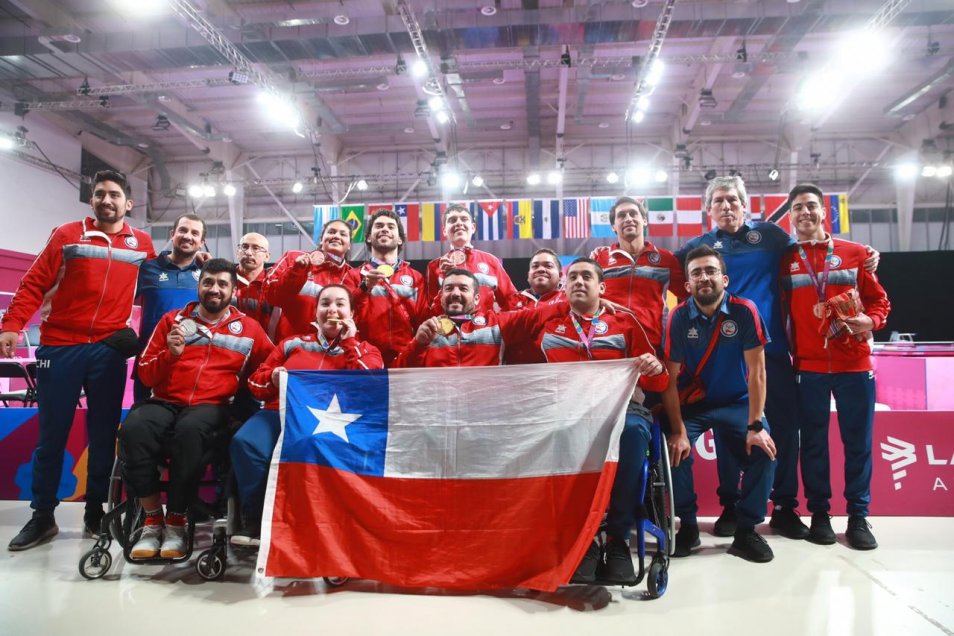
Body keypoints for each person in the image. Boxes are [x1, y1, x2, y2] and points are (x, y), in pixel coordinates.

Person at [675, 175, 877, 539]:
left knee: (785, 429)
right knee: (729, 429)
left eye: (733, 200)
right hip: (725, 358)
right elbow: (670, 278)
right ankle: (732, 505)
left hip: (774, 352)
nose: (726, 206)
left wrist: (866, 254)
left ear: (744, 204)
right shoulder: (698, 247)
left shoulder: (771, 236)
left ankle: (784, 506)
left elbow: (812, 248)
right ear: (708, 209)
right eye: (718, 201)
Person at [2, 170, 156, 551]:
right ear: (92, 200)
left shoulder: (142, 243)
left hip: (107, 351)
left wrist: (196, 262)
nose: (107, 200)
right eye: (100, 193)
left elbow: (161, 277)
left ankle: (95, 512)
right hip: (61, 347)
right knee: (51, 438)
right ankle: (42, 516)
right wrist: (11, 325)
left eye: (114, 194)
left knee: (103, 437)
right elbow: (34, 282)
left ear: (128, 203)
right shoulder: (67, 234)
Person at [121, 259, 273, 559]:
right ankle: (153, 520)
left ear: (233, 290)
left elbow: (270, 365)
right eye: (208, 282)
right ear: (199, 286)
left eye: (222, 284)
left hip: (213, 406)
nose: (214, 289)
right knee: (133, 429)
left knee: (189, 431)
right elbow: (146, 375)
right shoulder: (172, 321)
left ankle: (176, 521)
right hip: (165, 401)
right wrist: (170, 354)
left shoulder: (249, 329)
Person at [535, 258, 668, 585]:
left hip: (623, 409)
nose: (579, 282)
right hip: (570, 412)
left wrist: (654, 366)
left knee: (633, 433)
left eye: (587, 276)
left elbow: (659, 381)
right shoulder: (547, 325)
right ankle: (586, 541)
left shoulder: (624, 322)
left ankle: (618, 538)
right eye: (573, 277)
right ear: (564, 287)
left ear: (602, 287)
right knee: (558, 433)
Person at [781, 183, 891, 550]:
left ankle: (858, 515)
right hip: (808, 367)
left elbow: (879, 301)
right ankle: (820, 513)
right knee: (813, 444)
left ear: (823, 211)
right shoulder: (784, 260)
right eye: (798, 207)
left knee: (857, 443)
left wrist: (870, 322)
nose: (805, 212)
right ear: (791, 216)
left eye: (811, 205)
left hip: (855, 365)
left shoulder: (855, 253)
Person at [230, 284, 384, 545]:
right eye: (325, 303)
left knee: (310, 444)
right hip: (280, 413)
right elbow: (255, 383)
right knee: (245, 442)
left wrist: (349, 343)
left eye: (340, 304)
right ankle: (255, 518)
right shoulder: (292, 344)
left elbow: (371, 384)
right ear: (316, 312)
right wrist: (272, 378)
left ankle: (312, 522)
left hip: (334, 422)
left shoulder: (366, 349)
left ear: (351, 314)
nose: (332, 309)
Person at [663, 245, 778, 563]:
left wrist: (756, 425)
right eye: (696, 273)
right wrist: (678, 431)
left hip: (737, 402)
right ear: (687, 284)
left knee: (764, 451)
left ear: (724, 279)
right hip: (695, 404)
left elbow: (757, 372)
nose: (704, 277)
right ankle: (688, 526)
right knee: (674, 450)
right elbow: (669, 380)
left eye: (710, 271)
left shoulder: (745, 311)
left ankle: (746, 531)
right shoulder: (678, 317)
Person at [395, 269, 563, 369]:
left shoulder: (497, 324)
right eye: (449, 288)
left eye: (463, 288)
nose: (455, 293)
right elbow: (398, 374)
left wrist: (577, 299)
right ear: (441, 296)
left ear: (476, 299)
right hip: (442, 414)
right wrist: (418, 344)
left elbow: (541, 314)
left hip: (484, 413)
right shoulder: (428, 330)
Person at [591, 197, 686, 351]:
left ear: (644, 220)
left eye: (633, 213)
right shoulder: (598, 259)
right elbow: (574, 296)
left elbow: (688, 295)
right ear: (613, 226)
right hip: (608, 344)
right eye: (621, 215)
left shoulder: (666, 259)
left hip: (653, 346)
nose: (628, 219)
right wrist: (597, 302)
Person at [132, 214, 207, 402]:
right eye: (183, 230)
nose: (187, 236)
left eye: (194, 233)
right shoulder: (146, 269)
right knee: (143, 417)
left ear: (201, 242)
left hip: (192, 363)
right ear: (172, 234)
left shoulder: (207, 274)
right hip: (151, 360)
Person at [351, 209, 427, 366]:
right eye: (379, 226)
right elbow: (347, 315)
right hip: (365, 361)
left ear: (399, 239)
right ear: (369, 237)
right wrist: (364, 287)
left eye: (391, 227)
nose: (385, 229)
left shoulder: (416, 278)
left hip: (406, 359)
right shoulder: (354, 275)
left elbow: (423, 321)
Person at [265, 219, 361, 341]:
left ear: (349, 245)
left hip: (333, 349)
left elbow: (356, 317)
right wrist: (297, 270)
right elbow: (271, 296)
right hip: (292, 345)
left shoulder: (353, 276)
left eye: (343, 234)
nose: (336, 236)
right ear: (321, 239)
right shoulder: (293, 258)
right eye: (331, 232)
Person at [424, 203, 518, 316]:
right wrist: (447, 279)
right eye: (452, 220)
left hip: (485, 327)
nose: (459, 223)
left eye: (464, 219)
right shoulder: (434, 266)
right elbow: (431, 312)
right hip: (449, 327)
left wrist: (497, 322)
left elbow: (512, 301)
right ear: (444, 231)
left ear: (473, 227)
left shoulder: (491, 261)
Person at [503, 248, 565, 365]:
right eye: (535, 266)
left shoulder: (569, 300)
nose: (541, 269)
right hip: (516, 371)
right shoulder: (513, 300)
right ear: (528, 276)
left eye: (548, 266)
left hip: (557, 371)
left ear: (560, 275)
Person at [234, 232, 283, 342]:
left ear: (267, 256)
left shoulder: (275, 284)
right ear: (238, 252)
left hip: (265, 348)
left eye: (256, 248)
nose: (248, 252)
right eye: (244, 247)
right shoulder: (224, 280)